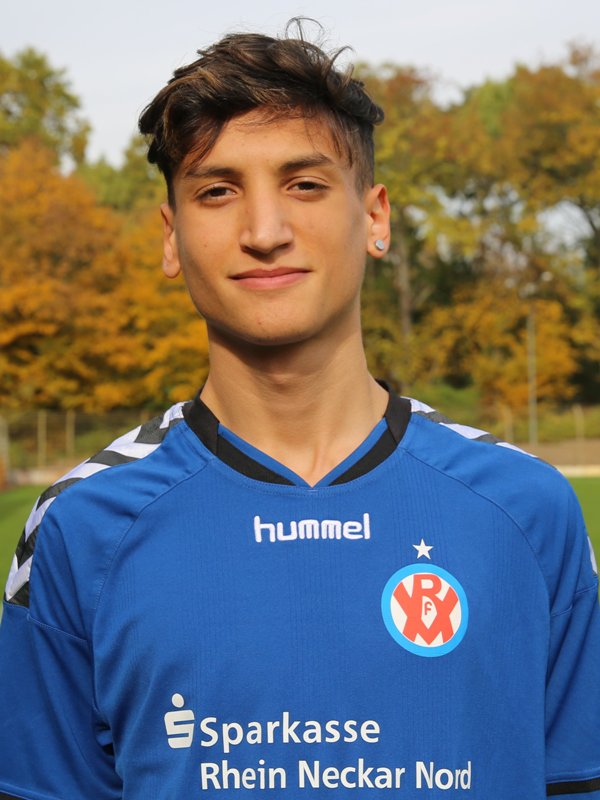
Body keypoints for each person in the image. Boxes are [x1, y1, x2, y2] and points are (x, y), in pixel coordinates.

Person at [0, 21, 599, 800]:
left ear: (375, 218)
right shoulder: (81, 525)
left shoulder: (526, 509)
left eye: (305, 184)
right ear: (172, 238)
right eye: (217, 191)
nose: (264, 232)